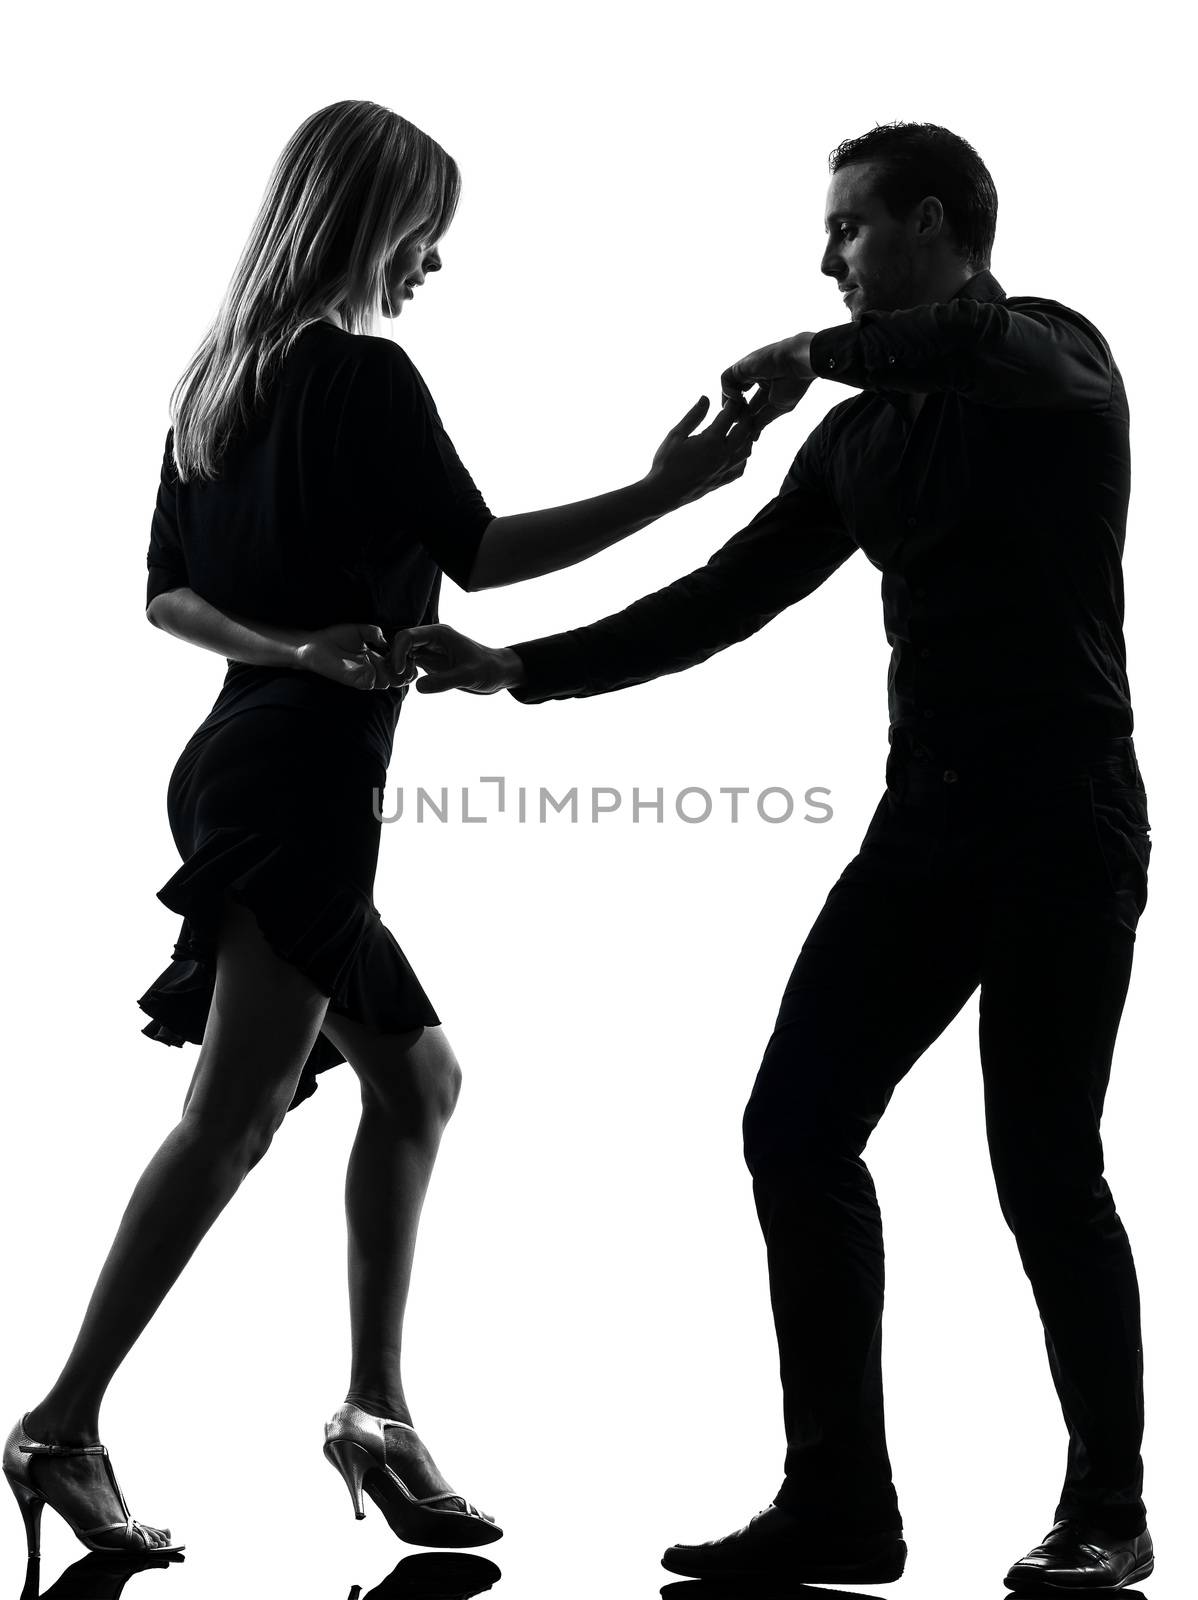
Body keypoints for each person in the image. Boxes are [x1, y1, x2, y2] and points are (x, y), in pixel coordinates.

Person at [386, 122, 1156, 1593]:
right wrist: (516, 670)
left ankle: (1106, 1516)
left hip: (1065, 820)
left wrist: (816, 348)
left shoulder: (1053, 354)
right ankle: (841, 1511)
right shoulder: (863, 441)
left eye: (851, 230)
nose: (828, 258)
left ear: (931, 225)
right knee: (794, 1131)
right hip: (920, 830)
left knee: (1043, 1161)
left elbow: (988, 345)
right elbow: (720, 599)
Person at [2, 99, 765, 1565]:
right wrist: (674, 489)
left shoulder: (212, 387)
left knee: (415, 1078)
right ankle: (58, 1423)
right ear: (377, 221)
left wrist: (286, 651)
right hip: (294, 785)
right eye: (429, 233)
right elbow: (477, 556)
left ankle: (374, 1412)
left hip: (239, 758)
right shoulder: (363, 376)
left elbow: (164, 595)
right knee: (230, 1120)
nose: (433, 266)